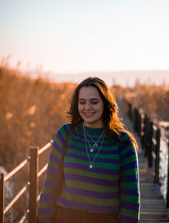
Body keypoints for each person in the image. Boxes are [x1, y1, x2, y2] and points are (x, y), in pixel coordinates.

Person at [37, 77, 140, 223]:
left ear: (105, 104)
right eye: (82, 102)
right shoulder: (65, 134)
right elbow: (51, 183)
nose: (87, 108)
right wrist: (44, 219)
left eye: (94, 102)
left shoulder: (123, 142)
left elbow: (130, 197)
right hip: (65, 217)